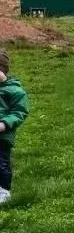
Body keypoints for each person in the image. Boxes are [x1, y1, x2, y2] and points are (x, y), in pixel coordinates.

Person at [0, 50, 29, 204]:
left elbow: (20, 112)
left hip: (2, 136)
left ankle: (3, 191)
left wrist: (5, 124)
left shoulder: (15, 91)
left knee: (1, 163)